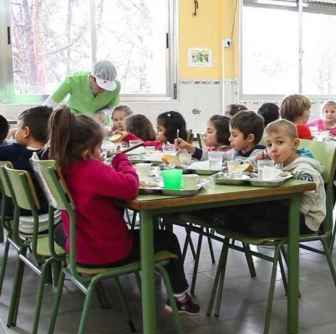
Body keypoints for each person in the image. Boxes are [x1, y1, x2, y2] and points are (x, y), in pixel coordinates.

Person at [47, 106, 199, 313]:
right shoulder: (92, 169)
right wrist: (122, 161)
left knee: (153, 237)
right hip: (106, 251)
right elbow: (129, 187)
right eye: (99, 148)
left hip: (79, 246)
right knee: (168, 240)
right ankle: (181, 298)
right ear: (86, 151)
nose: (101, 153)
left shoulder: (63, 165)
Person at [210, 119, 325, 237]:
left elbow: (306, 204)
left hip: (304, 220)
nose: (273, 149)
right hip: (283, 209)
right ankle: (225, 217)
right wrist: (259, 158)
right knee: (249, 208)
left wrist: (273, 205)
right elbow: (248, 166)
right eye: (269, 144)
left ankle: (227, 219)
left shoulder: (305, 171)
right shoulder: (279, 163)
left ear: (295, 144)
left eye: (279, 142)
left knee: (256, 222)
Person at [0, 106, 52, 215]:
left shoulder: (14, 151)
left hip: (17, 211)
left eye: (18, 127)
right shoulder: (52, 155)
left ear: (26, 132)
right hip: (46, 211)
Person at [44, 60, 120, 122]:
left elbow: (113, 107)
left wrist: (103, 114)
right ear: (91, 78)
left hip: (100, 125)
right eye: (100, 86)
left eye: (107, 88)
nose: (104, 90)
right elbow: (50, 103)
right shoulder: (73, 81)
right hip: (75, 122)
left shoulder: (116, 86)